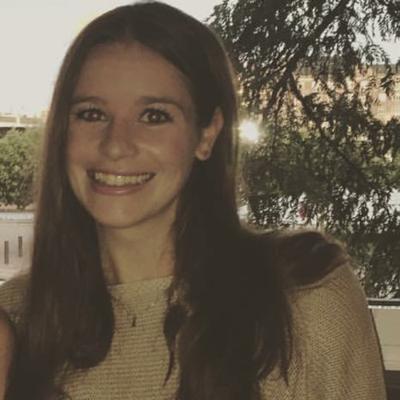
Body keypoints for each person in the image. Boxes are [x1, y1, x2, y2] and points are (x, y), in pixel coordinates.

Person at [0, 2, 386, 399]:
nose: (115, 145)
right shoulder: (14, 322)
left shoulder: (307, 297)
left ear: (206, 134)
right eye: (91, 113)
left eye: (154, 116)